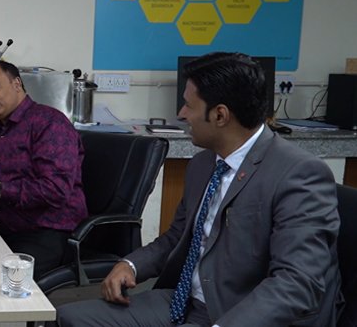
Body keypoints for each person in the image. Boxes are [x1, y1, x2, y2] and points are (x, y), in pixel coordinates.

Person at [57, 52, 341, 327]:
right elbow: (178, 236)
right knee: (68, 318)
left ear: (220, 115)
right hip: (183, 302)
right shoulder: (203, 164)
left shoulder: (298, 174)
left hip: (235, 314)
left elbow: (297, 283)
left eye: (188, 106)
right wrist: (130, 265)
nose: (181, 114)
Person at [0, 60, 87, 278]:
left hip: (45, 231)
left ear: (16, 84)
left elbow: (55, 190)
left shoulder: (50, 123)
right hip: (2, 225)